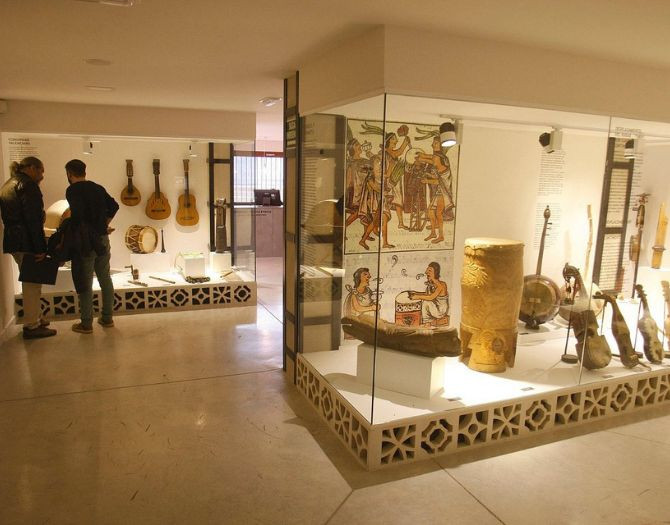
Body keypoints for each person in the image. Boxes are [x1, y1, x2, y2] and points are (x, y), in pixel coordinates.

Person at [0, 156, 56, 339]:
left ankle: (36, 318)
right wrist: (40, 248)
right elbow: (32, 220)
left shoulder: (8, 184)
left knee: (30, 280)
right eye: (41, 171)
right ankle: (32, 325)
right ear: (31, 168)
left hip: (13, 239)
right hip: (26, 241)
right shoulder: (28, 185)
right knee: (32, 284)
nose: (42, 175)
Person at [64, 159, 119, 334]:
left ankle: (86, 323)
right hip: (102, 238)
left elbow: (78, 217)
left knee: (85, 281)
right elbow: (114, 206)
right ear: (84, 171)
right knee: (105, 278)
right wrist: (104, 224)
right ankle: (107, 318)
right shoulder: (97, 187)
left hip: (85, 241)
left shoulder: (72, 190)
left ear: (69, 173)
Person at [408, 261, 449, 327]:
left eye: (429, 270)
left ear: (435, 273)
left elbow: (431, 297)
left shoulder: (441, 285)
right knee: (425, 301)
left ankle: (427, 322)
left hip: (440, 311)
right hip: (434, 308)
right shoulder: (431, 285)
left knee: (426, 302)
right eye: (427, 270)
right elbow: (426, 294)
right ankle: (427, 321)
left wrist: (417, 297)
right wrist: (415, 293)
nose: (426, 272)